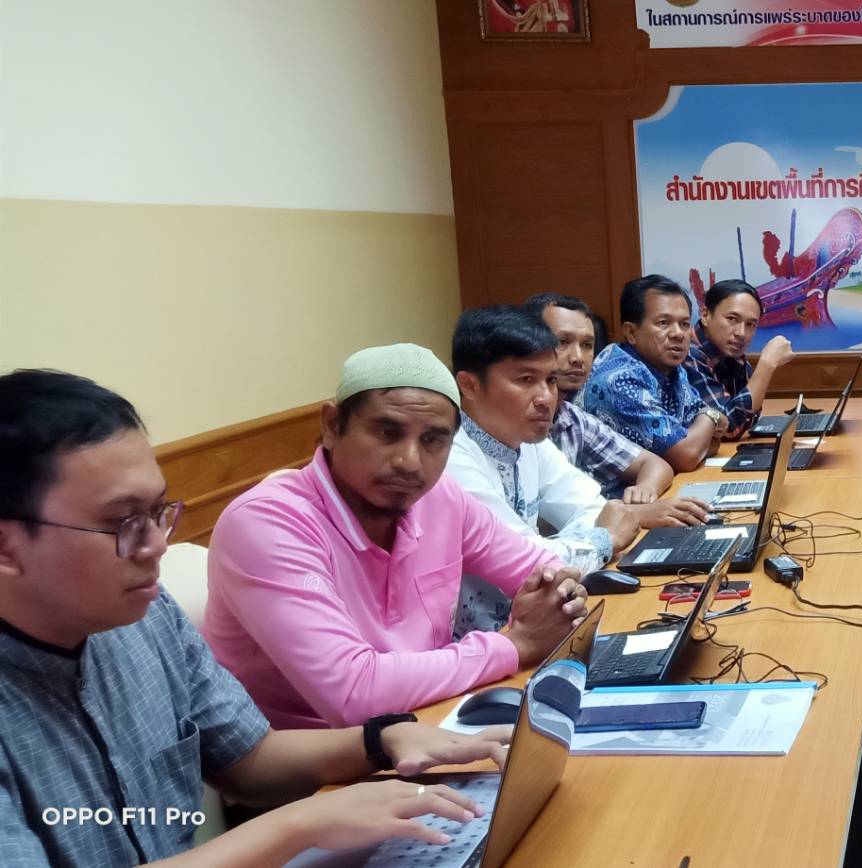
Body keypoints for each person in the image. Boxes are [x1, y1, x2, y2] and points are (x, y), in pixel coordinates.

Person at [0, 369, 511, 866]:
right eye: (122, 522)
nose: (157, 545)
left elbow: (248, 759)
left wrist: (380, 740)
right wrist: (299, 824)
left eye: (157, 513)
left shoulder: (147, 616)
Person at [204, 344, 589, 729]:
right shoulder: (267, 523)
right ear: (332, 425)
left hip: (427, 724)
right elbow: (353, 694)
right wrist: (515, 645)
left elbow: (543, 569)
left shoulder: (439, 497)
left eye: (432, 440)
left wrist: (561, 595)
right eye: (388, 433)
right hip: (318, 758)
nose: (409, 462)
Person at [448, 306, 707, 637]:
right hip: (481, 646)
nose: (546, 398)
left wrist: (575, 542)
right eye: (526, 380)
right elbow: (532, 569)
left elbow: (599, 510)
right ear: (469, 385)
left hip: (540, 626)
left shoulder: (527, 441)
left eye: (550, 380)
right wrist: (603, 539)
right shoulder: (450, 457)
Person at [523, 292, 676, 501]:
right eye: (562, 342)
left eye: (587, 345)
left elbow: (655, 465)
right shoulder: (517, 425)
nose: (578, 358)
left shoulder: (572, 418)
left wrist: (644, 491)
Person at [584, 275, 721, 471]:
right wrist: (711, 415)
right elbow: (688, 456)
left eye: (684, 324)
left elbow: (711, 441)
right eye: (664, 323)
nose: (678, 334)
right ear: (631, 332)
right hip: (617, 490)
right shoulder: (619, 380)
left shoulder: (671, 368)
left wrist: (700, 434)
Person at [682, 279, 795, 440]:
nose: (741, 333)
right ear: (705, 315)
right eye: (732, 319)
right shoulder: (687, 352)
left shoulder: (730, 353)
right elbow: (725, 429)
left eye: (750, 325)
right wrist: (767, 364)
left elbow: (749, 419)